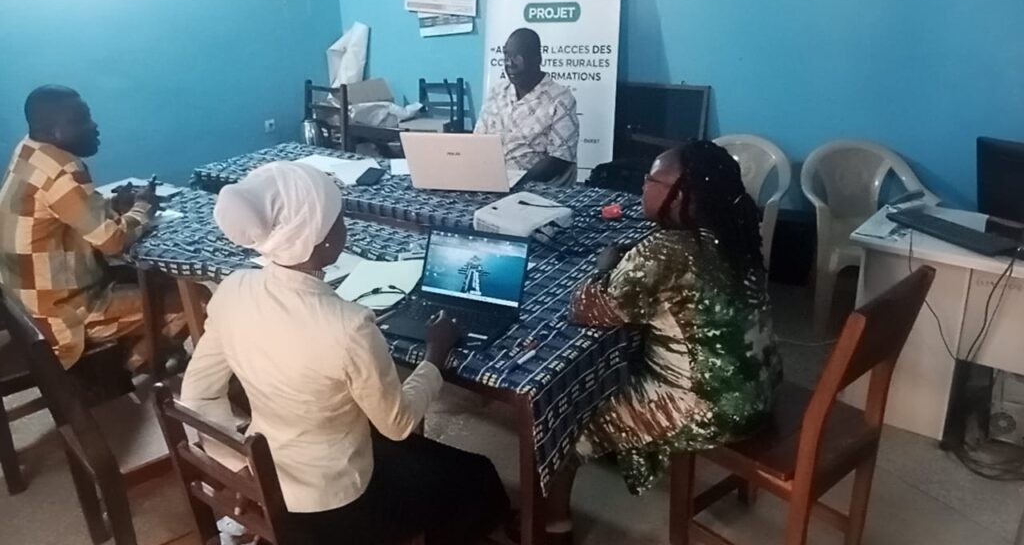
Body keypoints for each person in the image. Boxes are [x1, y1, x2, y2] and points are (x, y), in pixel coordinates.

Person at [180, 162, 509, 545]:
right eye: (338, 217)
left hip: (270, 478)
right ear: (320, 240)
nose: (344, 225)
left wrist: (242, 470)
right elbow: (398, 424)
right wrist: (435, 355)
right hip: (340, 504)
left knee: (411, 454)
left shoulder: (234, 289)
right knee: (478, 477)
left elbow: (197, 398)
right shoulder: (348, 326)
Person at [547, 141, 782, 541]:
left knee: (567, 411)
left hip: (714, 408)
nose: (643, 185)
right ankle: (622, 447)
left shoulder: (665, 251)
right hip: (761, 387)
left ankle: (553, 525)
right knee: (631, 354)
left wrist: (604, 268)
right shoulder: (735, 236)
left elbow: (588, 310)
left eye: (652, 180)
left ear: (684, 196)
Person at [0, 85, 189, 369]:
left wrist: (113, 204)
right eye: (82, 120)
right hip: (65, 315)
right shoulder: (63, 170)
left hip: (27, 306)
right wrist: (143, 208)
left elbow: (63, 208)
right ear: (54, 131)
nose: (94, 126)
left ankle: (144, 349)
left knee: (153, 279)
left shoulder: (29, 150)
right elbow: (112, 241)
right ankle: (131, 364)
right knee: (195, 299)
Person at [475, 28, 579, 186]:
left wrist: (516, 183)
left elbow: (560, 159)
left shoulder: (561, 99)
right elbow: (477, 142)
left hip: (534, 187)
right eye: (506, 55)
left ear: (537, 59)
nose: (510, 64)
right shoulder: (497, 92)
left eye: (517, 56)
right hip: (490, 181)